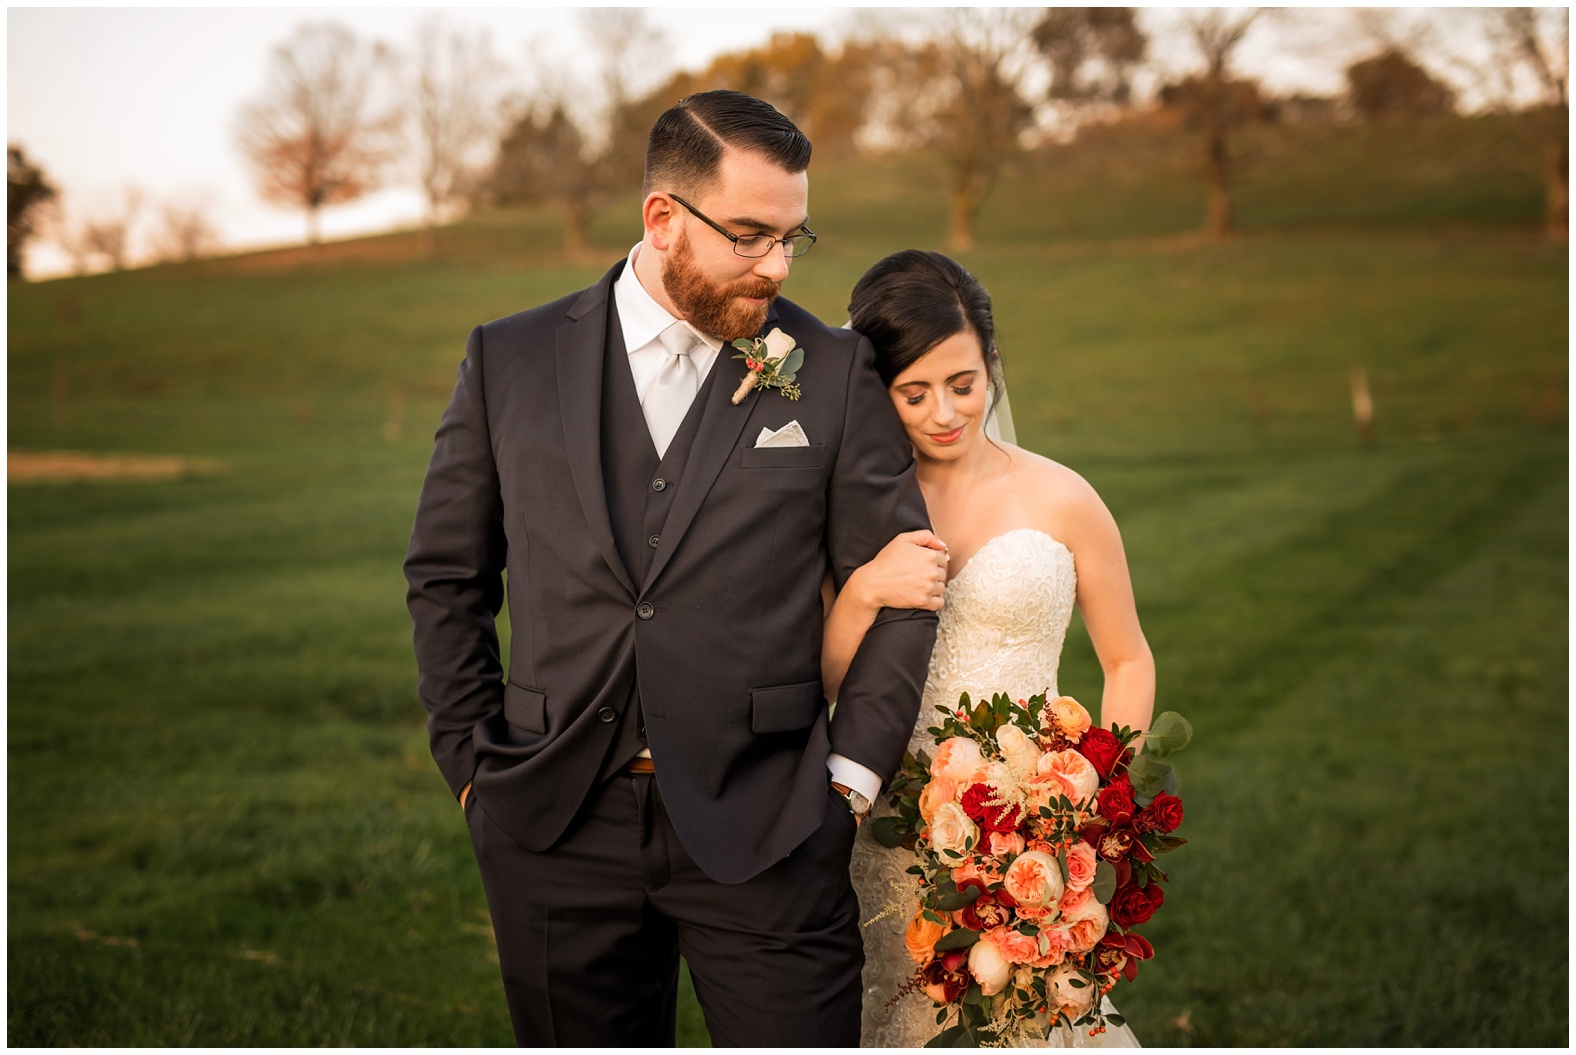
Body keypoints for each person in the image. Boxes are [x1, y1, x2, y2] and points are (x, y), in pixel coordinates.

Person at [403, 91, 939, 1046]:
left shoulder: (828, 367)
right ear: (662, 219)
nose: (777, 265)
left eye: (792, 238)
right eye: (749, 236)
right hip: (552, 824)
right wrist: (473, 773)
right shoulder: (509, 359)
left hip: (774, 821)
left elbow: (906, 586)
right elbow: (448, 576)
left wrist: (848, 788)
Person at [822, 250, 1156, 1047]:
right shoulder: (853, 511)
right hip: (893, 831)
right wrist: (868, 587)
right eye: (914, 392)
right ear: (879, 392)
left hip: (1030, 830)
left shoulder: (1064, 497)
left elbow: (1128, 660)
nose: (944, 411)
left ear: (993, 367)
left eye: (963, 383)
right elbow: (826, 676)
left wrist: (1091, 805)